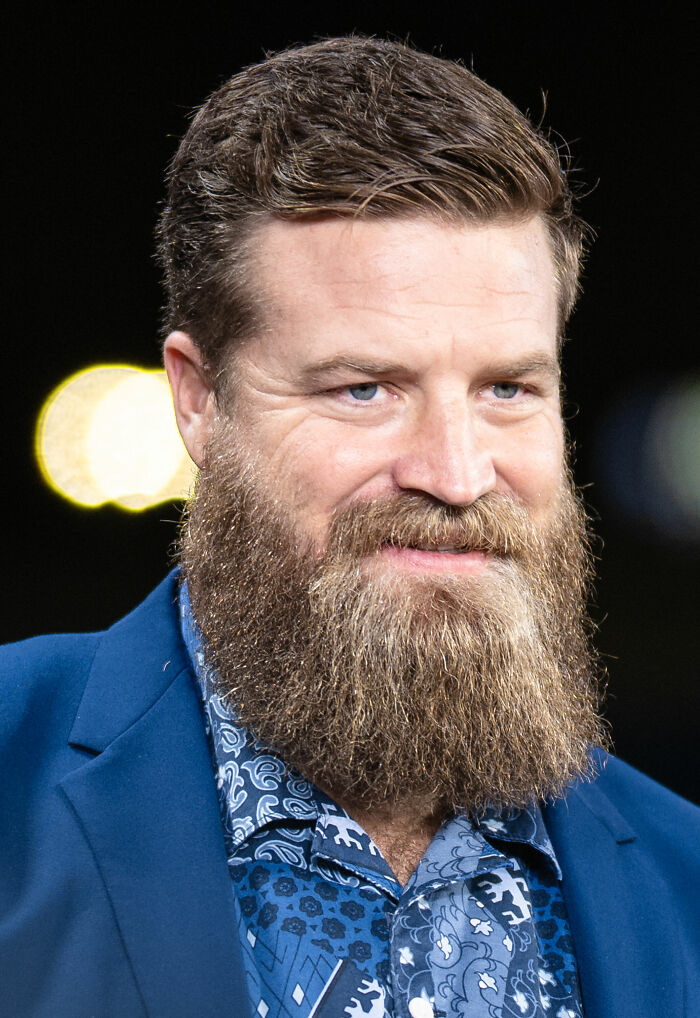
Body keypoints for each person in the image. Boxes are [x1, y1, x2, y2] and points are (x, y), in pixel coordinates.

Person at [1, 36, 698, 1018]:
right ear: (198, 399)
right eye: (363, 388)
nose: (456, 474)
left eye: (507, 387)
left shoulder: (687, 883)